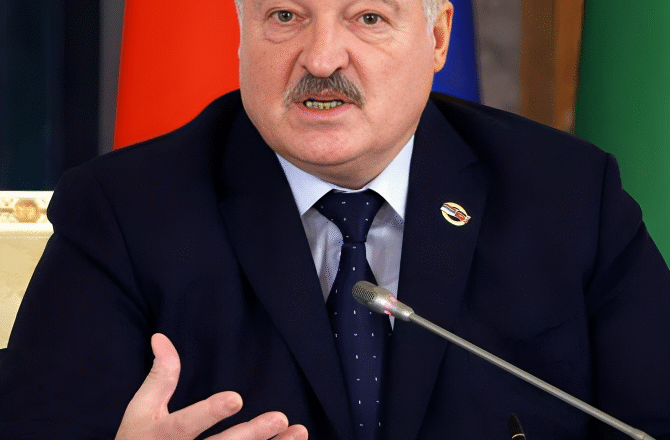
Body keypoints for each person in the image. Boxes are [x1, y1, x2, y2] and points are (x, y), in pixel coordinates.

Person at [1, 0, 669, 438]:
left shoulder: (567, 197)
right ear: (242, 33)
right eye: (286, 16)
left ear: (438, 37)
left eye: (368, 18)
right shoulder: (124, 213)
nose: (321, 59)